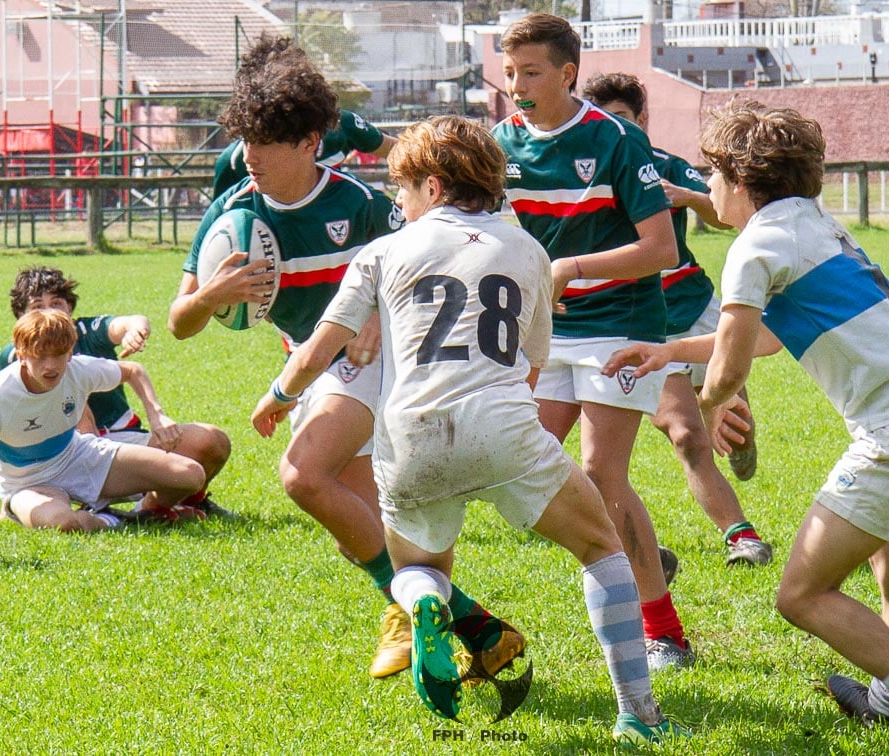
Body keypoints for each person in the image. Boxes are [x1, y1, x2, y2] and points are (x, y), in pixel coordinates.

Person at [252, 115, 689, 744]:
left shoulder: (382, 251)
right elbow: (532, 367)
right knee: (599, 548)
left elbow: (322, 346)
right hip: (503, 425)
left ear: (433, 186)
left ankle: (426, 605)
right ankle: (637, 715)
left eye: (402, 190)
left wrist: (277, 397)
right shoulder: (529, 252)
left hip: (409, 435)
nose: (398, 203)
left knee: (418, 567)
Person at [604, 99, 889, 755]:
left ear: (739, 178)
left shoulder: (755, 246)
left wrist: (715, 405)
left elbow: (729, 367)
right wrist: (669, 352)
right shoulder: (813, 227)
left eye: (713, 175)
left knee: (801, 593)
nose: (709, 189)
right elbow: (768, 338)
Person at [168, 34, 421, 680]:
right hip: (309, 367)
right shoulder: (232, 211)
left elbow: (421, 272)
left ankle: (419, 611)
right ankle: (445, 618)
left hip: (365, 363)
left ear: (311, 143)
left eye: (265, 143)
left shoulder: (359, 205)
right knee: (359, 532)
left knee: (302, 475)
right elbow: (180, 323)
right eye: (244, 140)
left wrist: (375, 318)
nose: (247, 157)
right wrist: (213, 295)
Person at [491, 13, 695, 672]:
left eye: (530, 72)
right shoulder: (501, 143)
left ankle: (662, 629)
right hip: (546, 330)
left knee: (603, 476)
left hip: (621, 324)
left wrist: (572, 269)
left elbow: (660, 248)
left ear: (567, 73)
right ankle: (629, 553)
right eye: (509, 71)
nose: (515, 84)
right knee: (527, 466)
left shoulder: (613, 139)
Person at [581, 72, 772, 568]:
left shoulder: (665, 165)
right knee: (686, 434)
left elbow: (729, 213)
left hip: (695, 305)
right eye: (600, 119)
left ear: (641, 119)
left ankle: (736, 421)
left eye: (619, 118)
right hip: (642, 322)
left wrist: (686, 196)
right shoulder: (581, 174)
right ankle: (741, 536)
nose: (609, 129)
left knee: (726, 411)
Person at [0, 309, 206, 534]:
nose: (50, 366)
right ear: (21, 355)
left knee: (190, 475)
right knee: (65, 524)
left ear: (70, 351)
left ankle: (144, 513)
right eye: (39, 356)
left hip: (79, 456)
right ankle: (110, 520)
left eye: (58, 354)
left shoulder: (78, 370)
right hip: (28, 484)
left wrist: (156, 413)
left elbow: (133, 371)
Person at [0, 266, 233, 519]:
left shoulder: (87, 332)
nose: (49, 313)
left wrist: (134, 332)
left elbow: (131, 322)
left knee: (212, 441)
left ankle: (152, 509)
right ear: (21, 317)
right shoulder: (17, 356)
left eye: (56, 303)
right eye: (37, 307)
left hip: (124, 440)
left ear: (69, 307)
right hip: (64, 458)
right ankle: (92, 506)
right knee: (68, 394)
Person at [213, 110, 397, 199]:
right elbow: (220, 229)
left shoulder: (341, 126)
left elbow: (399, 150)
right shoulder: (234, 162)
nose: (250, 157)